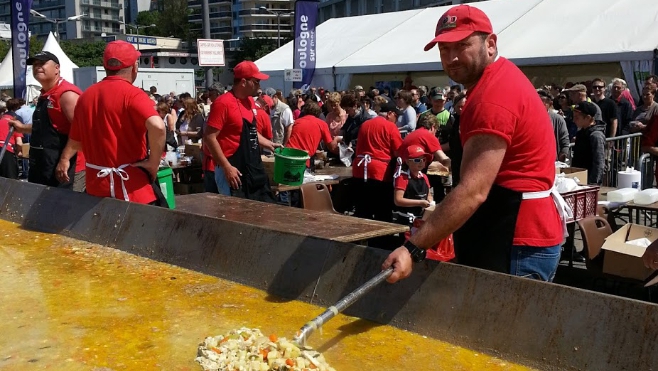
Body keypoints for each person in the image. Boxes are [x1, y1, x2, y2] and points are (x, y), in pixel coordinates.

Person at [383, 5, 568, 283]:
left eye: (462, 45)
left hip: (515, 239)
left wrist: (413, 247)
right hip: (512, 232)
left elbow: (473, 191)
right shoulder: (497, 80)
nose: (452, 57)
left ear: (490, 44)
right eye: (444, 49)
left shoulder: (492, 97)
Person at [55, 41, 167, 205]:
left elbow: (77, 141)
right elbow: (158, 126)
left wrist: (65, 158)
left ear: (105, 65)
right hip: (132, 188)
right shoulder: (133, 94)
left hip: (97, 187)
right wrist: (153, 162)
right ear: (135, 66)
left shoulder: (86, 96)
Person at [8, 51, 84, 190]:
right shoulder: (45, 94)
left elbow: (82, 130)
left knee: (64, 210)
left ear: (57, 68)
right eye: (35, 64)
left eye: (42, 63)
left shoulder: (67, 95)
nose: (37, 67)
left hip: (66, 170)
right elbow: (48, 127)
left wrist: (65, 159)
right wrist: (22, 128)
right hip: (43, 166)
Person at [203, 61, 278, 202]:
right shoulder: (223, 103)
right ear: (244, 82)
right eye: (256, 81)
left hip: (252, 168)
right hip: (232, 171)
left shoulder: (249, 101)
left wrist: (269, 144)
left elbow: (250, 132)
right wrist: (226, 167)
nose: (259, 85)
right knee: (234, 216)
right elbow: (209, 137)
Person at [352, 103, 403, 223]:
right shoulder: (390, 127)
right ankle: (381, 241)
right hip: (379, 172)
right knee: (382, 212)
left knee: (362, 210)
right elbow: (397, 152)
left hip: (360, 170)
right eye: (396, 116)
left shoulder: (365, 124)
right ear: (390, 114)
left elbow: (358, 148)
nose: (397, 120)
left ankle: (362, 240)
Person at [400, 112, 451, 202]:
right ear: (433, 127)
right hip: (415, 170)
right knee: (438, 181)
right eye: (436, 131)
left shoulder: (411, 134)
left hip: (404, 170)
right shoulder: (428, 135)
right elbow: (443, 159)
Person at [286, 101, 340, 166]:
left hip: (288, 155)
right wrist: (337, 139)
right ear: (318, 113)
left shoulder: (297, 122)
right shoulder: (322, 124)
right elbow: (332, 147)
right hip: (303, 159)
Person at [392, 144, 433, 225]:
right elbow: (398, 200)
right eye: (417, 160)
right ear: (408, 161)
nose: (421, 162)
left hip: (422, 217)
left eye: (423, 160)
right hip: (406, 219)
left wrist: (430, 202)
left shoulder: (424, 177)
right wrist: (420, 203)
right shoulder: (402, 177)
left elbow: (429, 194)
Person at [570, 102, 605, 185]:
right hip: (578, 178)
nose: (574, 120)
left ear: (588, 118)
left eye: (577, 117)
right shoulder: (580, 133)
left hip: (589, 181)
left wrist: (593, 183)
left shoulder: (596, 136)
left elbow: (599, 162)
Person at [538, 90, 570, 161]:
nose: (537, 104)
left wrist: (563, 155)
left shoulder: (558, 120)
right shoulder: (530, 118)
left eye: (541, 102)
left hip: (552, 161)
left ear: (550, 103)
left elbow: (564, 141)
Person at [0, 99, 24, 179]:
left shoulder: (1, 120)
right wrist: (19, 152)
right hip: (6, 150)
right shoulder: (14, 123)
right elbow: (19, 143)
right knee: (10, 179)